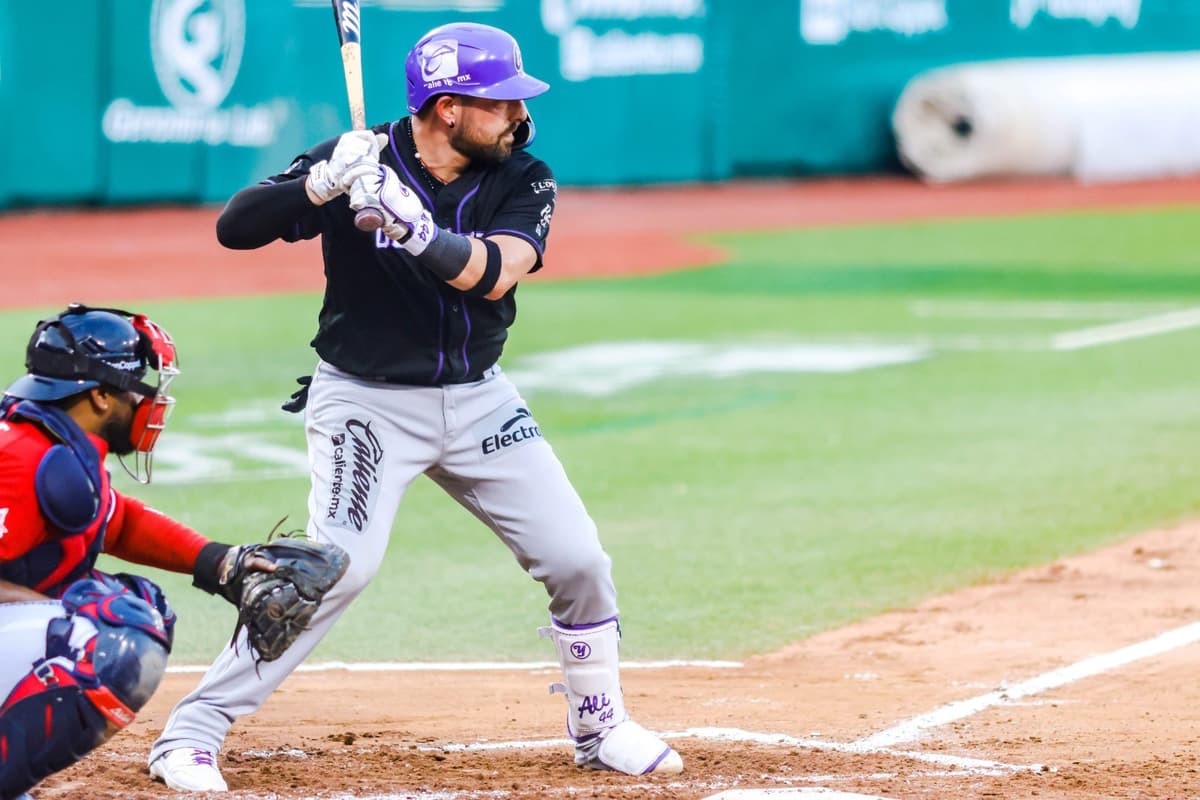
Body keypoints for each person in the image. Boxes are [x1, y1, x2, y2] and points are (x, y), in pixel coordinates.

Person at [147, 20, 683, 792]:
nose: (518, 116)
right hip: (364, 405)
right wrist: (319, 185)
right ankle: (191, 734)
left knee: (579, 560)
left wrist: (416, 230)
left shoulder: (523, 176)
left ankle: (600, 728)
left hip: (479, 401)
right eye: (499, 103)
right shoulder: (357, 157)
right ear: (447, 109)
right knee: (333, 570)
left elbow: (495, 272)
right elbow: (235, 229)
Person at [0, 304, 285, 800]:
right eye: (136, 388)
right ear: (100, 396)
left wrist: (218, 561)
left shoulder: (53, 442)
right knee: (113, 635)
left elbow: (117, 521)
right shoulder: (20, 459)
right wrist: (58, 610)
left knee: (138, 607)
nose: (146, 400)